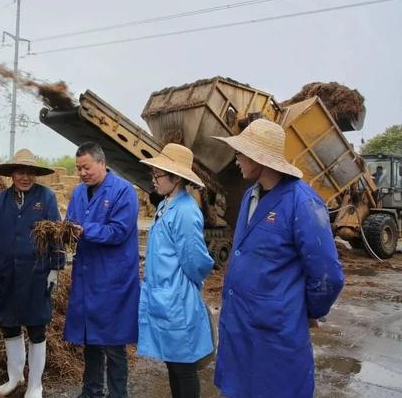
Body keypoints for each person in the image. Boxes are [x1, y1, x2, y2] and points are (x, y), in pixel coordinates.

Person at [211, 119, 345, 398]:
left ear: (260, 158)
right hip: (241, 328)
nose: (236, 160)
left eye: (241, 154)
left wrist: (308, 310)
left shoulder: (302, 202)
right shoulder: (250, 196)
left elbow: (327, 275)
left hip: (275, 334)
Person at [0, 148, 64, 398]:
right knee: (9, 326)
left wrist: (55, 268)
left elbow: (56, 235)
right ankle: (15, 377)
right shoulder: (0, 200)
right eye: (20, 172)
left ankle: (35, 385)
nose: (25, 177)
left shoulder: (46, 197)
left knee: (36, 328)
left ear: (36, 175)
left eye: (30, 172)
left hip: (36, 275)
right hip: (6, 274)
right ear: (12, 174)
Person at [137, 143, 215, 398]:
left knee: (183, 365)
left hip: (177, 299)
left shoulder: (185, 210)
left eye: (158, 175)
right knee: (172, 361)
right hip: (164, 297)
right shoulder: (165, 205)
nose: (154, 180)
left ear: (176, 178)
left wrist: (181, 286)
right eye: (154, 174)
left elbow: (196, 262)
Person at [64, 142, 140, 398]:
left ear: (101, 163)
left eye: (86, 167)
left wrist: (86, 230)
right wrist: (62, 233)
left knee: (113, 343)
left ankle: (118, 394)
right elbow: (70, 224)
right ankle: (91, 391)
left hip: (112, 280)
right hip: (87, 276)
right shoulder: (78, 192)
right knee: (91, 340)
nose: (82, 173)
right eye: (78, 169)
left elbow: (119, 231)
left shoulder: (123, 191)